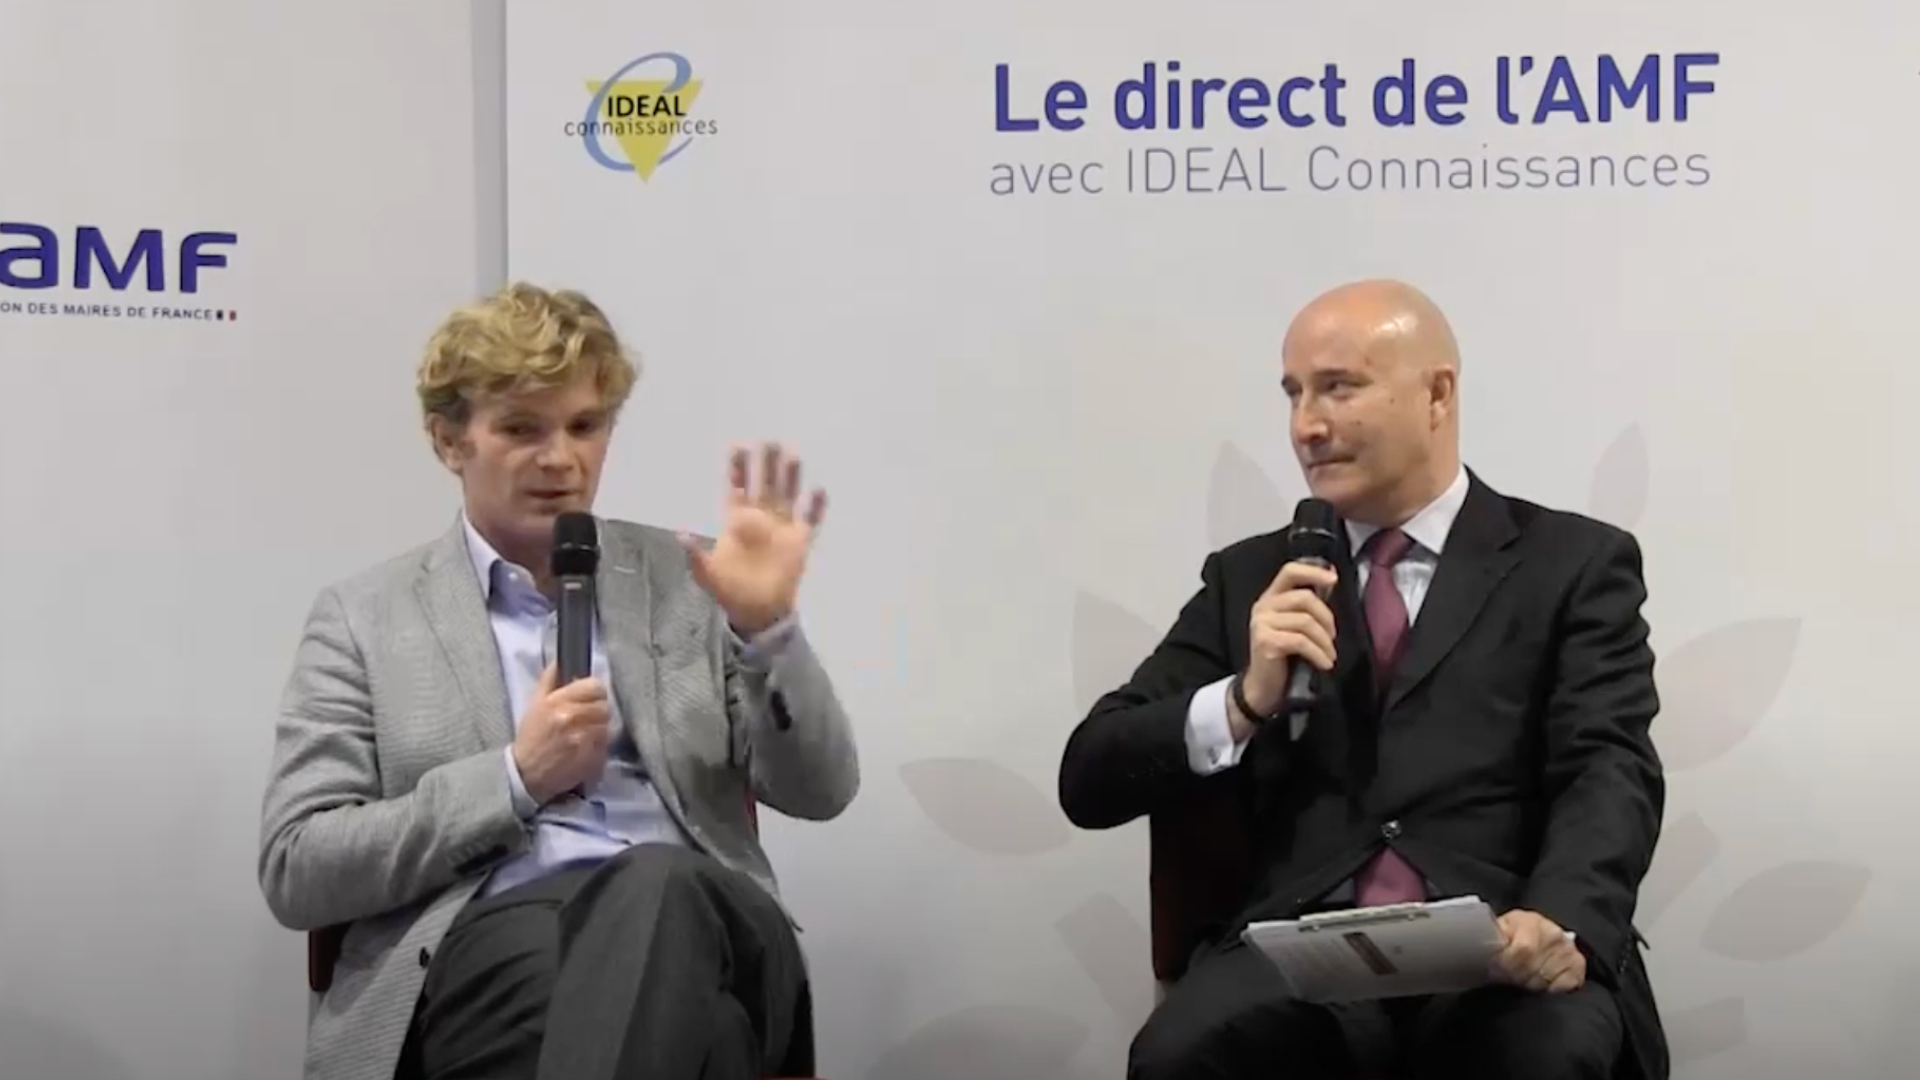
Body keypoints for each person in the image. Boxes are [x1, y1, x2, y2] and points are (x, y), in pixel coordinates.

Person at [1057, 279, 1668, 1079]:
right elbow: (1089, 778)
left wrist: (1561, 919)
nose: (1306, 426)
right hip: (1301, 957)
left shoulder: (1573, 564)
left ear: (1437, 394)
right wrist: (1242, 702)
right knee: (1182, 1057)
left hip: (1502, 944)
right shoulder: (1251, 580)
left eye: (1339, 388)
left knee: (1547, 1056)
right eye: (1294, 394)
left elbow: (1609, 765)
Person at [257, 282, 859, 1080]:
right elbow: (298, 866)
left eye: (585, 426)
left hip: (718, 930)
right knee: (700, 1037)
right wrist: (515, 779)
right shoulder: (365, 618)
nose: (561, 459)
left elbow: (821, 790)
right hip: (493, 949)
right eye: (521, 429)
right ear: (448, 441)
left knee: (657, 886)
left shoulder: (694, 581)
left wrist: (768, 632)